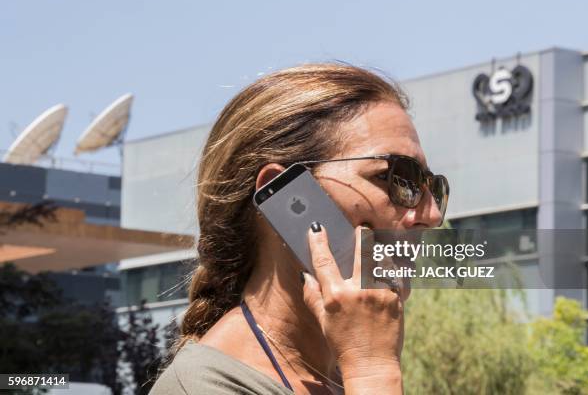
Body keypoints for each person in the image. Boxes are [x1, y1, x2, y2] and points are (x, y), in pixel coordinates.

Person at [151, 63, 448, 394]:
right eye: (395, 177)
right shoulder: (201, 387)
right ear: (287, 193)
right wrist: (372, 371)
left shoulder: (342, 375)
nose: (431, 214)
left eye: (430, 187)